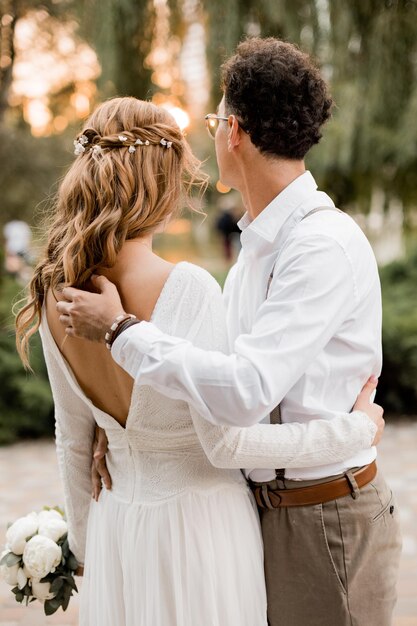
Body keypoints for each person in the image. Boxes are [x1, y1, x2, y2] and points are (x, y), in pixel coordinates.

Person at [56, 38, 402, 626]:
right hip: (254, 513)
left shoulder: (320, 245)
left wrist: (120, 333)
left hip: (326, 516)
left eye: (216, 120)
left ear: (233, 131)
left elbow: (242, 391)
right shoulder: (253, 253)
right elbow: (215, 401)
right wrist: (128, 431)